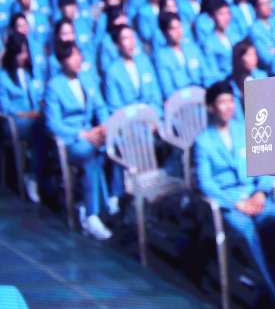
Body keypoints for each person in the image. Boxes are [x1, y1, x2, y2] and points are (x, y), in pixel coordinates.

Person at [194, 81, 275, 303]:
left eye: (231, 101)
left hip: (254, 195)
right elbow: (205, 184)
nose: (228, 106)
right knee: (246, 231)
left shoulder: (245, 129)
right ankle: (274, 294)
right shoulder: (203, 142)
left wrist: (261, 193)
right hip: (230, 203)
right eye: (222, 102)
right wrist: (237, 204)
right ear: (210, 107)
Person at [44, 41, 112, 240]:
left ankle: (107, 201)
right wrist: (82, 135)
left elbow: (100, 107)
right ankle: (92, 214)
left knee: (111, 146)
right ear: (62, 61)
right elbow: (53, 125)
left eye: (79, 54)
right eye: (72, 56)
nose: (78, 59)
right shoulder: (54, 86)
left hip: (90, 130)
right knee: (90, 153)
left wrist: (104, 125)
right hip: (70, 138)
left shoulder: (87, 79)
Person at [0, 33, 46, 202]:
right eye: (20, 52)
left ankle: (43, 175)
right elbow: (6, 108)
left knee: (44, 127)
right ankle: (33, 176)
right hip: (15, 122)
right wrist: (27, 115)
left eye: (25, 52)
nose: (23, 56)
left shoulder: (29, 73)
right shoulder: (3, 77)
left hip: (34, 117)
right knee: (38, 129)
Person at [105, 24, 163, 115]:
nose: (132, 42)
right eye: (126, 38)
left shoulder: (144, 61)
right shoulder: (112, 72)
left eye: (132, 37)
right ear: (117, 44)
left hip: (153, 116)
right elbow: (115, 107)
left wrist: (154, 115)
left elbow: (156, 94)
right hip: (130, 122)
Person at [153, 13, 206, 100]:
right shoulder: (161, 57)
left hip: (202, 93)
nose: (179, 32)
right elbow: (168, 90)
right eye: (173, 29)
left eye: (179, 27)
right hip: (181, 100)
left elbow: (205, 74)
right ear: (164, 33)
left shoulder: (192, 47)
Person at [228, 38, 268, 119]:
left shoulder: (262, 76)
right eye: (249, 55)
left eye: (255, 54)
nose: (254, 59)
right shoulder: (231, 84)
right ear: (239, 58)